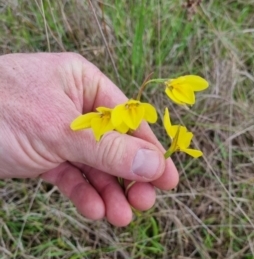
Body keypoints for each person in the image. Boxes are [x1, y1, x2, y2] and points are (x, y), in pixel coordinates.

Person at [0, 52, 179, 227]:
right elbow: (81, 127)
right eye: (130, 105)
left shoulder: (128, 115)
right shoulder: (114, 116)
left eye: (134, 105)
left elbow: (133, 121)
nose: (132, 106)